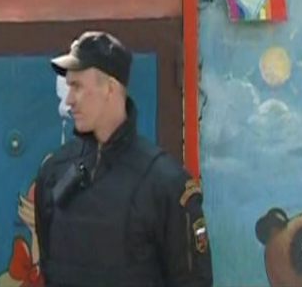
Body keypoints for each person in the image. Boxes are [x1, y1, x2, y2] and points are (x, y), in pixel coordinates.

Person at [34, 31, 213, 287]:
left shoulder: (166, 183)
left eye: (77, 87)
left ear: (109, 88)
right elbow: (48, 268)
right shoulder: (55, 171)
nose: (69, 100)